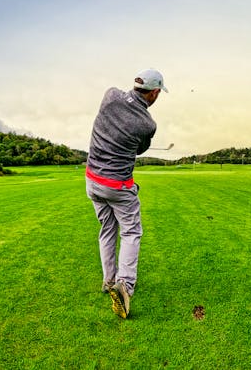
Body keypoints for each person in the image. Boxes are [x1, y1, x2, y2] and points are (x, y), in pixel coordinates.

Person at [85, 69, 168, 319]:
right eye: (159, 93)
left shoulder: (110, 95)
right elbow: (141, 149)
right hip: (118, 186)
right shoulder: (147, 124)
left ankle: (109, 281)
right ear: (154, 93)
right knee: (132, 232)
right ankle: (125, 286)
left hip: (92, 181)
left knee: (107, 229)